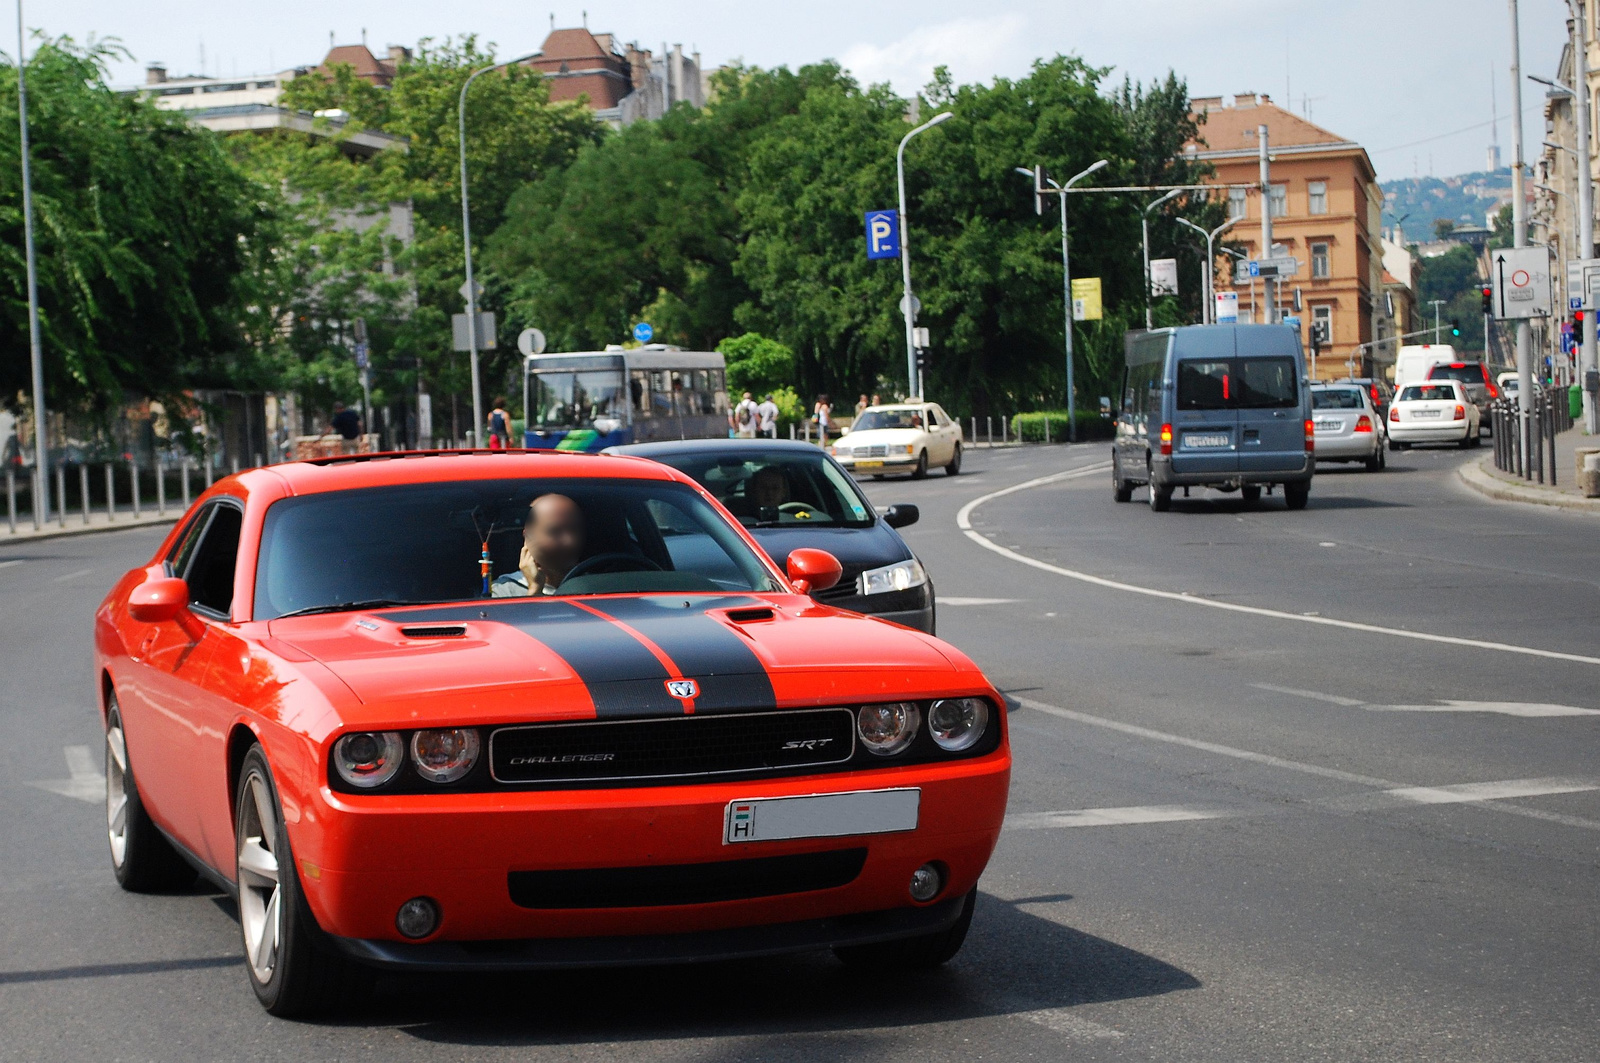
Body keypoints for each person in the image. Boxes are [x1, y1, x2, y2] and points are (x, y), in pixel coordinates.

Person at [492, 494, 586, 597]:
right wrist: (535, 589)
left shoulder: (596, 583)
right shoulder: (505, 591)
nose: (570, 541)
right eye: (555, 531)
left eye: (575, 530)